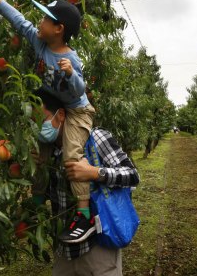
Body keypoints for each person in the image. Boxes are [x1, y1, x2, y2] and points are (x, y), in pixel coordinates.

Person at [0, 0, 96, 243]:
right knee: (37, 153)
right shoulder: (40, 42)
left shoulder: (71, 58)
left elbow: (79, 91)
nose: (38, 22)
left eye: (45, 19)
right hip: (55, 107)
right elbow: (18, 20)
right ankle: (38, 199)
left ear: (59, 29)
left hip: (77, 111)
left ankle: (84, 215)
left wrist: (70, 74)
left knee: (72, 156)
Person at [34, 89, 139, 276]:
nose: (38, 128)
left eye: (42, 120)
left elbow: (132, 175)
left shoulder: (95, 138)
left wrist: (94, 173)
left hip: (98, 247)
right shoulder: (46, 152)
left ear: (61, 115)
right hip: (64, 249)